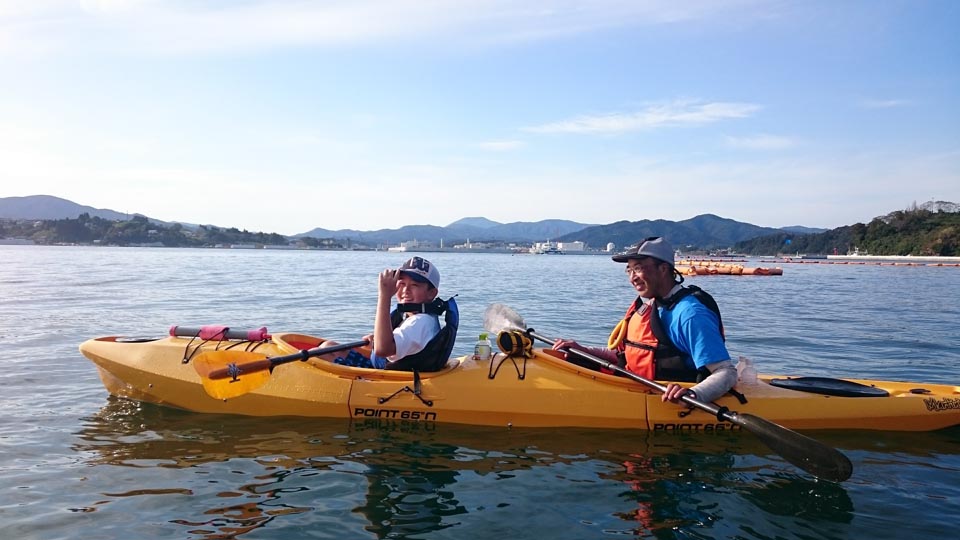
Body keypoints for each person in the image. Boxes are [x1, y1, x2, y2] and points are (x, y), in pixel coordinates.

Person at [552, 237, 737, 405]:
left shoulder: (690, 314)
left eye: (638, 269)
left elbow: (726, 372)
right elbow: (624, 355)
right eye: (629, 270)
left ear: (664, 269)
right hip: (636, 387)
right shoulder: (652, 305)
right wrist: (583, 351)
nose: (632, 278)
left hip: (670, 402)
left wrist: (693, 395)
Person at [322, 256, 458, 371]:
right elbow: (395, 343)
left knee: (321, 356)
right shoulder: (420, 318)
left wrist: (384, 296)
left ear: (431, 293)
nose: (406, 291)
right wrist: (378, 339)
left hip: (387, 383)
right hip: (386, 372)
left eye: (415, 285)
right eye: (402, 284)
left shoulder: (420, 322)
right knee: (330, 347)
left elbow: (383, 350)